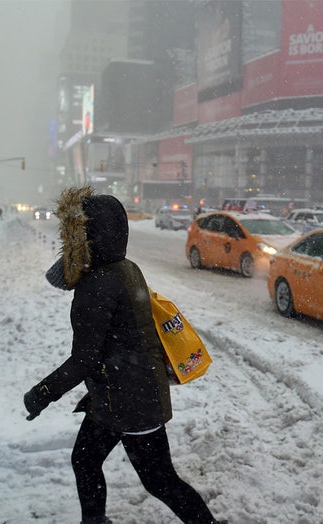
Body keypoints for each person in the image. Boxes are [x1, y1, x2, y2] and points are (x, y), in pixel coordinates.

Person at [22, 187, 224, 524]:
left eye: (75, 235)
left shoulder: (98, 284)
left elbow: (84, 359)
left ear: (89, 238)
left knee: (160, 481)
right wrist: (73, 266)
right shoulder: (123, 268)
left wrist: (41, 393)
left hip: (131, 403)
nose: (70, 241)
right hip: (119, 395)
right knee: (85, 461)